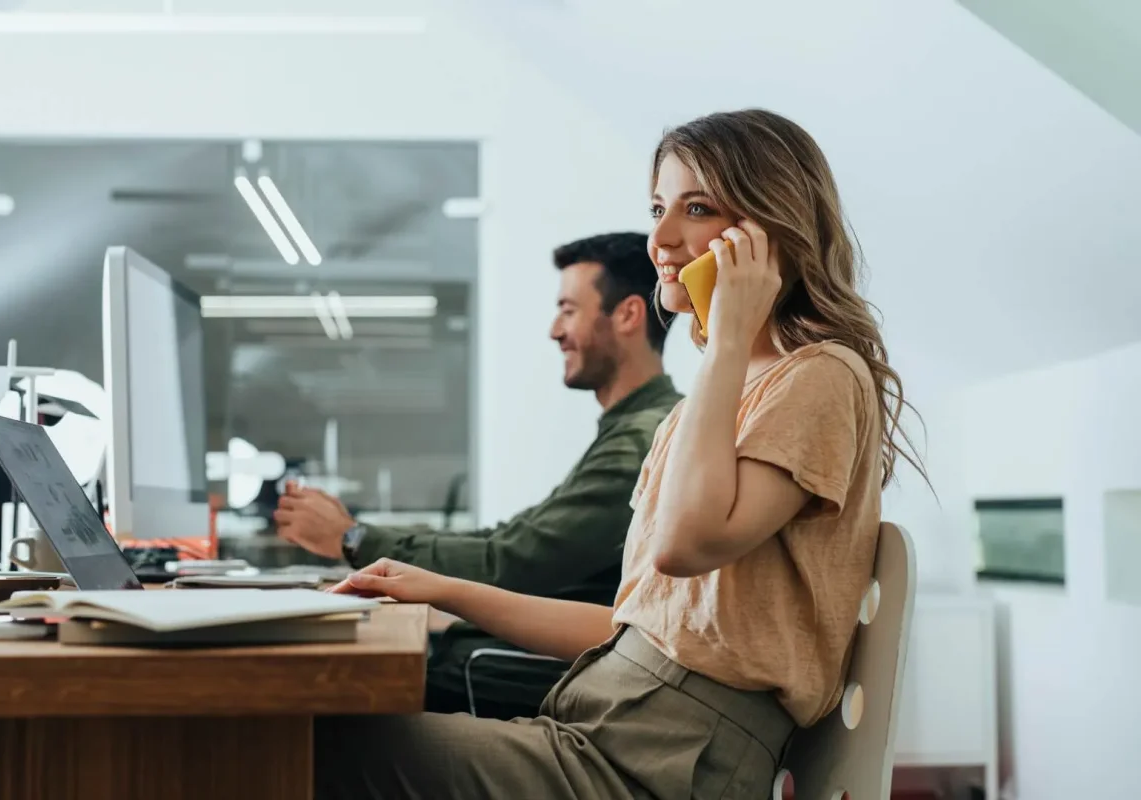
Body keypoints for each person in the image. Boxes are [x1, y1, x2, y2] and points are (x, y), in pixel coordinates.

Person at [312, 108, 927, 800]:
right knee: (312, 738)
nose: (660, 238)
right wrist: (444, 590)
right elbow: (634, 626)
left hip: (661, 764)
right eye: (658, 208)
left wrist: (727, 340)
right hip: (613, 729)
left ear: (770, 229)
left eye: (696, 208)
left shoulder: (819, 376)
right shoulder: (711, 405)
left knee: (320, 748)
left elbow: (686, 545)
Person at [275, 232, 683, 720]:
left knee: (316, 704)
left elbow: (509, 560)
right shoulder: (632, 430)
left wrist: (354, 539)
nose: (555, 329)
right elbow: (512, 541)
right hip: (520, 659)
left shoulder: (637, 442)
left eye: (569, 309)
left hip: (521, 673)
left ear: (628, 315)